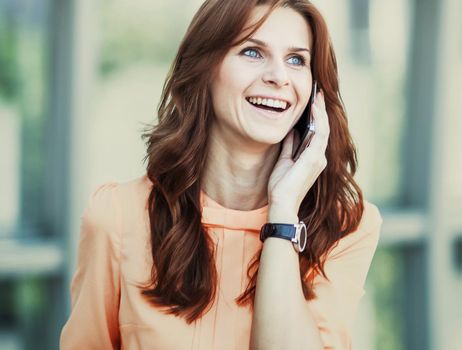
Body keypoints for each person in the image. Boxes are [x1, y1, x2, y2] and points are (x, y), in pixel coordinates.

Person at [60, 0, 383, 349]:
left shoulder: (345, 227)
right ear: (205, 67)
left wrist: (284, 212)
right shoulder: (117, 218)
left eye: (296, 59)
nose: (279, 76)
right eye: (252, 52)